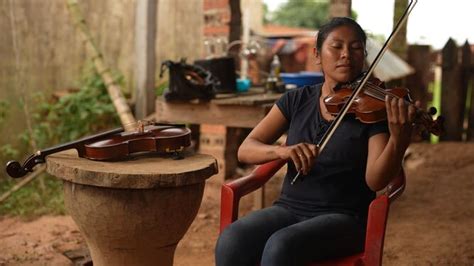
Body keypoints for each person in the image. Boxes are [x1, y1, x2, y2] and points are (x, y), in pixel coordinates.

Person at [215, 17, 417, 266]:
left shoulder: (372, 110)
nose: (346, 54)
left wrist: (399, 140)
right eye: (336, 46)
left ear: (364, 56)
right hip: (288, 209)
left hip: (344, 217)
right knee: (232, 240)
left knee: (281, 247)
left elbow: (375, 180)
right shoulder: (296, 100)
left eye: (355, 48)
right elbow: (246, 150)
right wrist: (283, 152)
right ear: (318, 55)